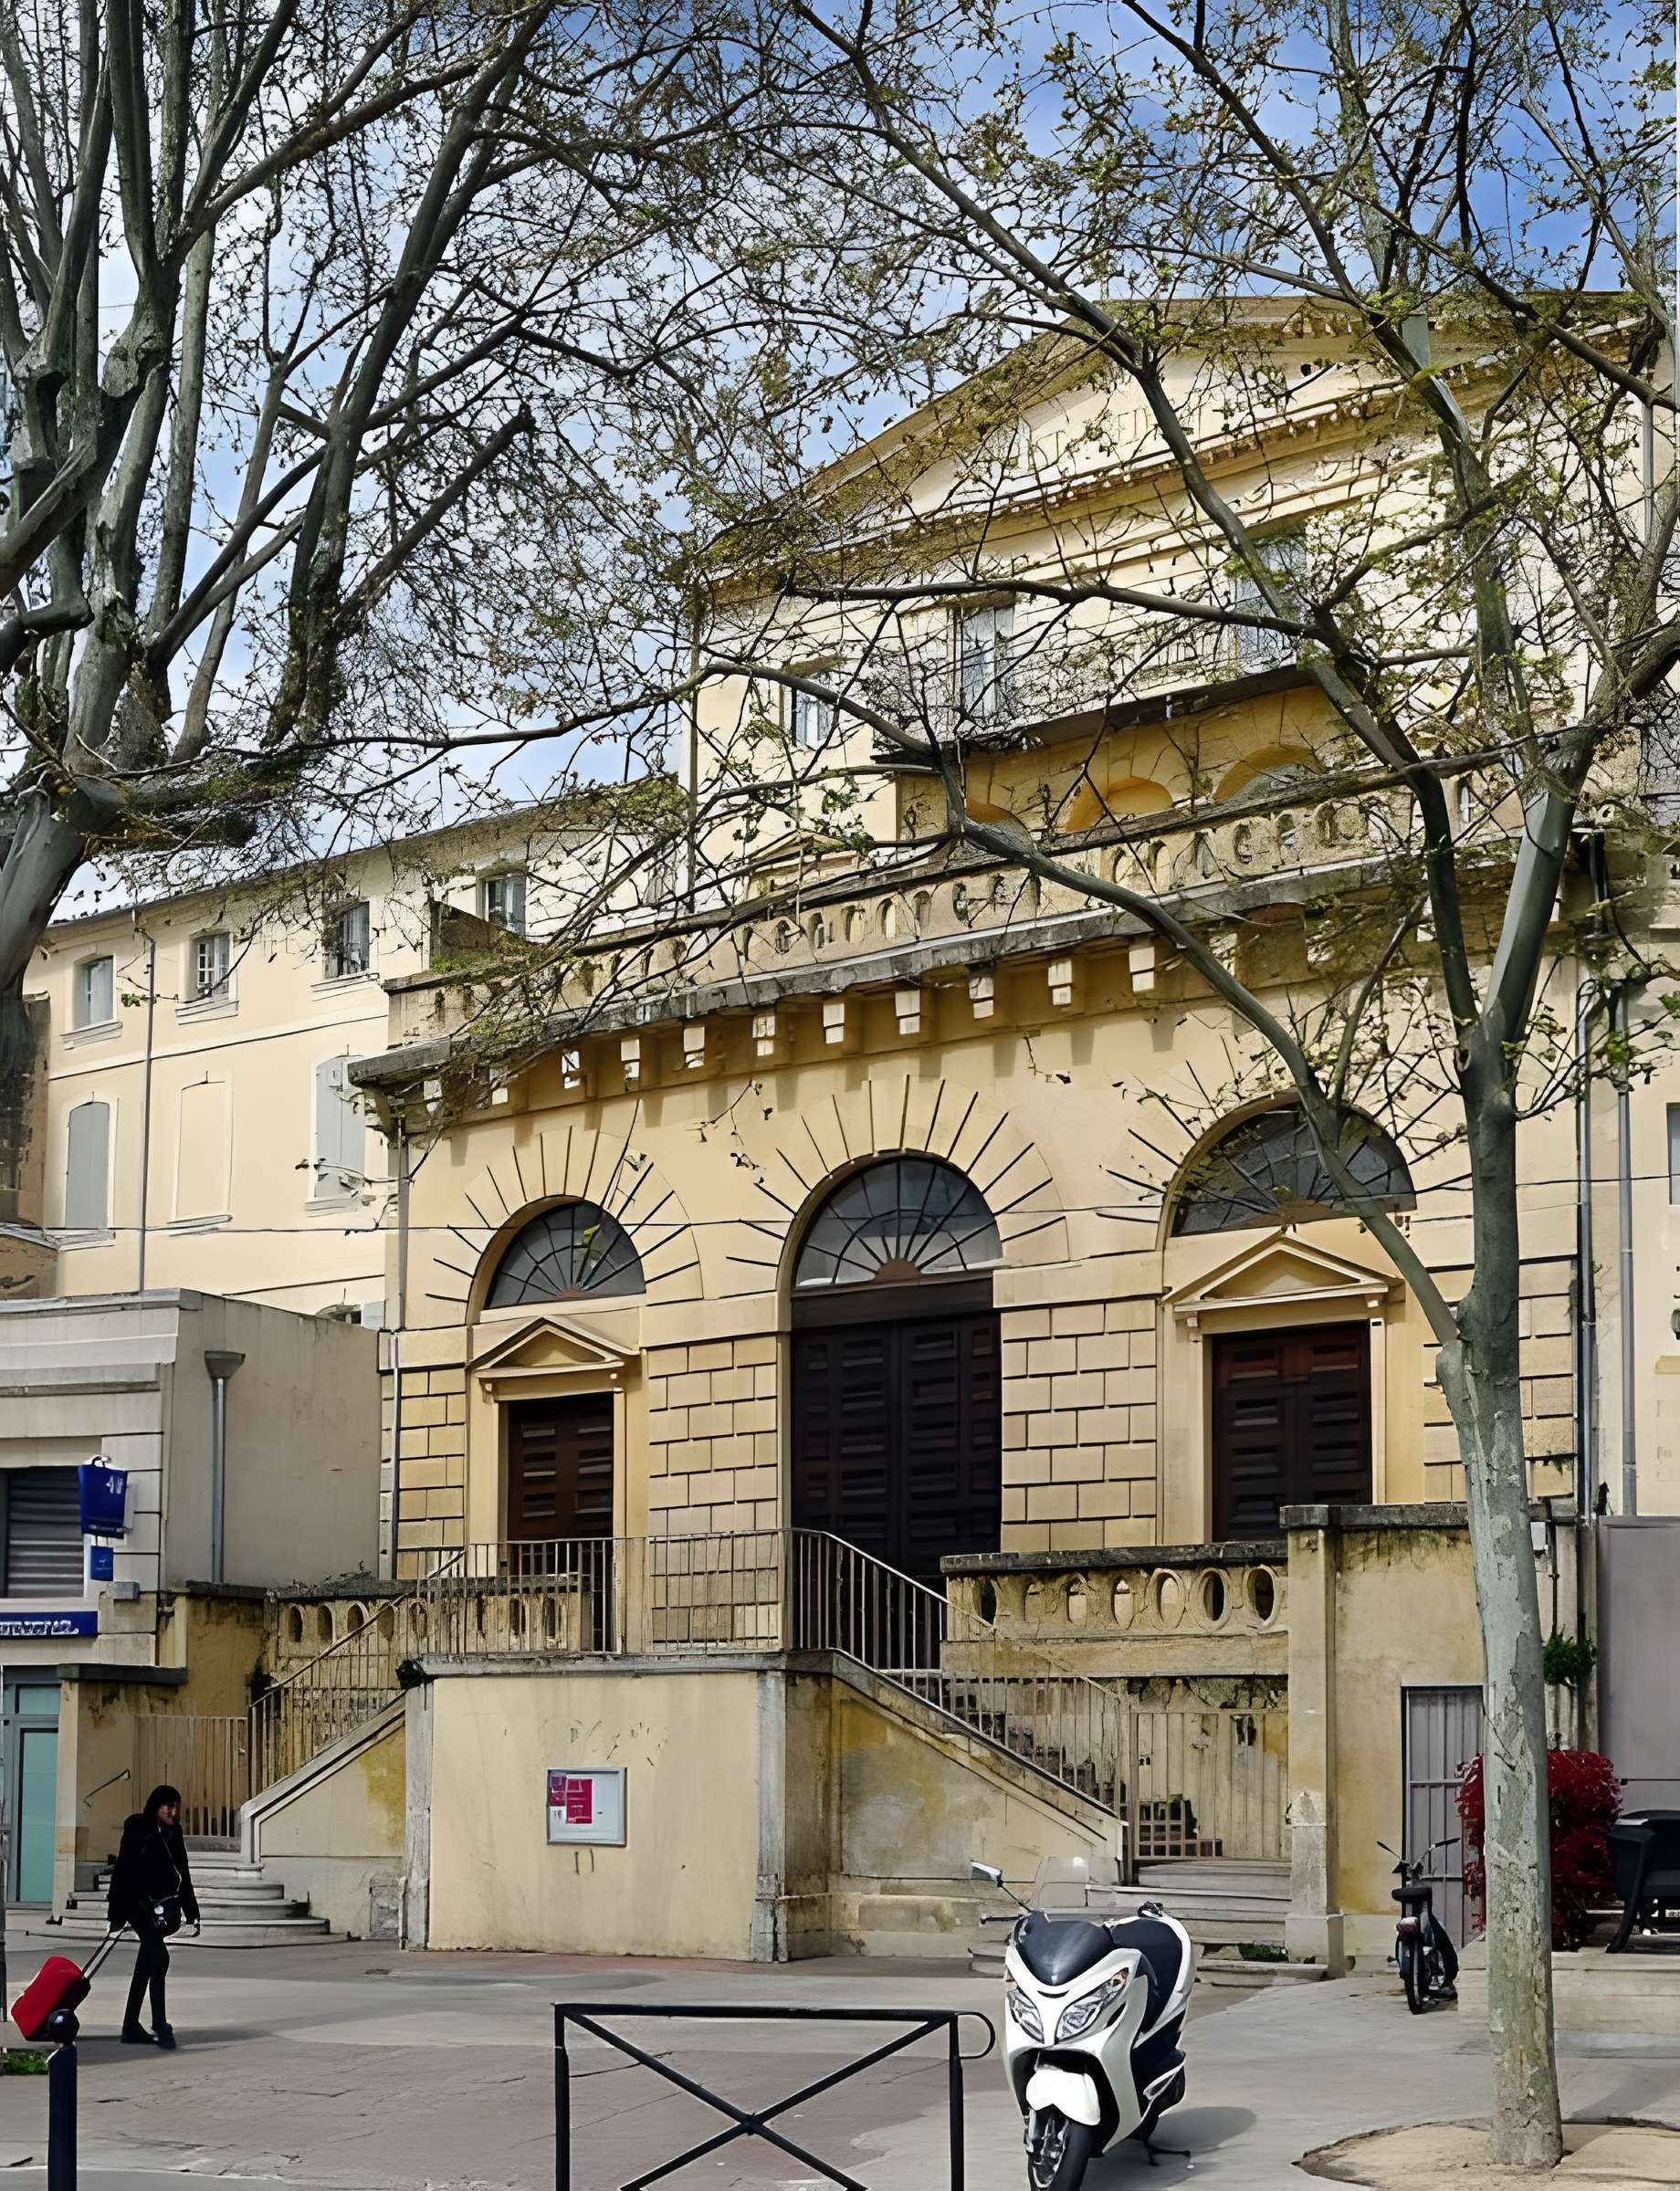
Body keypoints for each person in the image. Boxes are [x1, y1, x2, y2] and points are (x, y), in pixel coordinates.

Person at [107, 1784, 200, 2048]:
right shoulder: (139, 1827)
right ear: (155, 1807)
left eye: (175, 1805)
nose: (173, 1811)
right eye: (167, 1805)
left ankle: (131, 2026)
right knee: (159, 1956)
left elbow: (183, 1872)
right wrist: (115, 1913)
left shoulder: (175, 1833)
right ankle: (160, 2023)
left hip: (160, 1906)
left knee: (148, 1960)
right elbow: (123, 1868)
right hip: (135, 1903)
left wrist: (193, 1913)